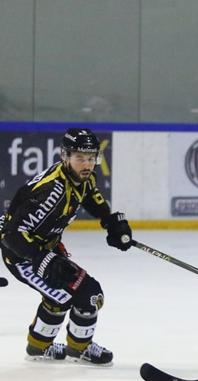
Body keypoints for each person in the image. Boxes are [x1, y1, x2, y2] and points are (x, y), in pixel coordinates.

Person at [0, 128, 132, 366]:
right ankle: (79, 350)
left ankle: (38, 348)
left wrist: (110, 221)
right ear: (65, 156)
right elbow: (11, 234)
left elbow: (90, 196)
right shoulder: (51, 191)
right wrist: (41, 258)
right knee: (89, 295)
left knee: (60, 298)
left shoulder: (82, 177)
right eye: (80, 157)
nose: (87, 164)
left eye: (91, 157)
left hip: (45, 249)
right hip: (22, 256)